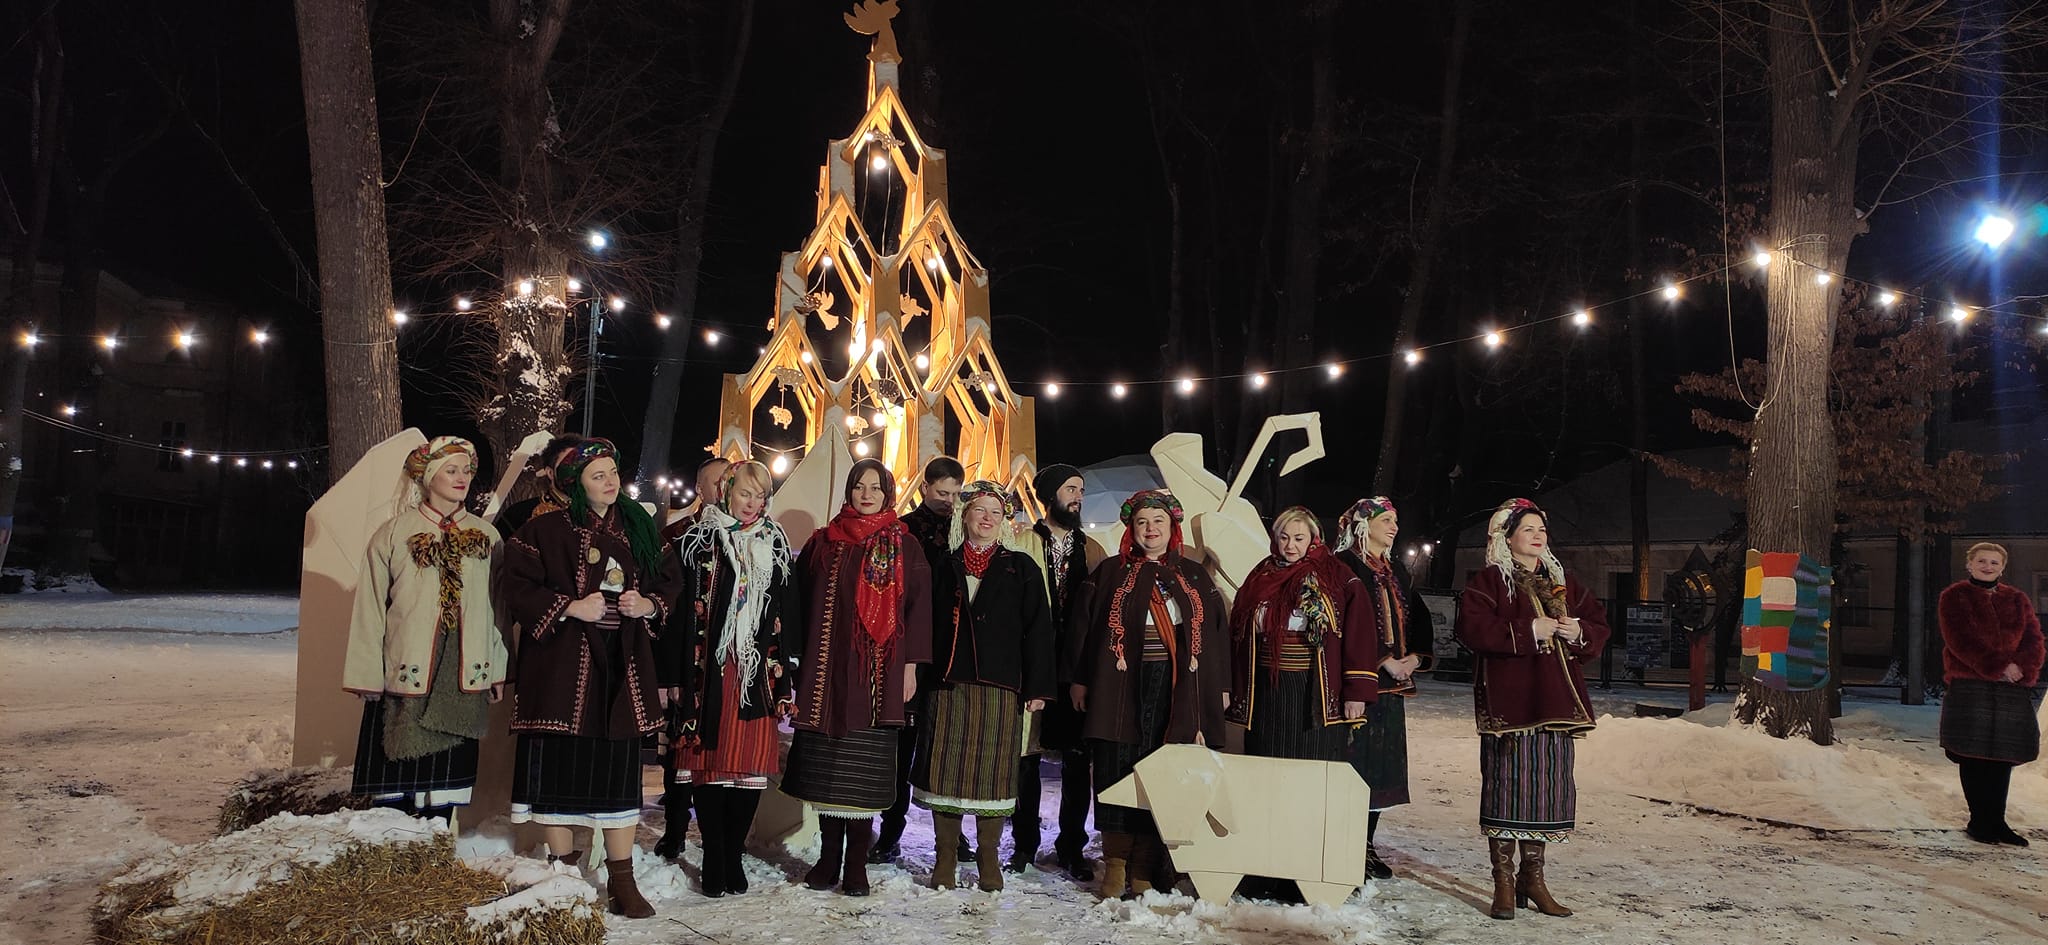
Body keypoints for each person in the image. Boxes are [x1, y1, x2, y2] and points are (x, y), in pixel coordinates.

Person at [502, 438, 683, 919]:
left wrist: (646, 604)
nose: (610, 482)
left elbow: (669, 581)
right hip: (559, 672)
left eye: (611, 472)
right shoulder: (541, 530)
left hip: (620, 670)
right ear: (573, 482)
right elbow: (515, 587)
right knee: (556, 778)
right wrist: (567, 607)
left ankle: (622, 883)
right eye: (597, 475)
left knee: (616, 778)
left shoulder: (641, 527)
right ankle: (564, 876)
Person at [1067, 489, 1230, 899]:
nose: (1150, 529)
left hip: (1177, 688)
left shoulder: (1194, 576)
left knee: (1164, 772)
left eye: (1158, 521)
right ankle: (1116, 866)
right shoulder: (1109, 573)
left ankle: (1143, 867)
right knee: (1116, 770)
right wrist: (1079, 679)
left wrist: (1220, 687)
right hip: (1119, 686)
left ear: (1171, 527)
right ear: (1131, 528)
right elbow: (1081, 632)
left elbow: (1216, 636)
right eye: (1142, 522)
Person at [783, 458, 934, 896]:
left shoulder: (905, 546)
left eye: (875, 487)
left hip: (877, 674)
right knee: (828, 769)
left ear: (888, 493)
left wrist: (910, 667)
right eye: (858, 487)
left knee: (862, 772)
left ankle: (856, 864)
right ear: (848, 492)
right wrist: (795, 660)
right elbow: (801, 603)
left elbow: (919, 611)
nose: (866, 495)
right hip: (827, 672)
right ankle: (828, 858)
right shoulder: (823, 543)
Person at [1454, 498, 1610, 921]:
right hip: (1512, 705)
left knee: (1546, 793)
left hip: (1557, 703)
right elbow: (1470, 629)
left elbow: (1597, 622)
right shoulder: (1490, 582)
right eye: (1528, 530)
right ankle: (1503, 882)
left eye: (1542, 529)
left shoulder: (1564, 582)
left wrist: (1579, 631)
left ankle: (1532, 879)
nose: (1538, 536)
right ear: (1508, 538)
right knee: (1508, 787)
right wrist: (1528, 629)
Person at [343, 437, 507, 823]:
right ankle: (395, 858)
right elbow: (370, 608)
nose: (462, 477)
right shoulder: (393, 534)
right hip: (408, 667)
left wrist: (498, 666)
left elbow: (499, 608)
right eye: (451, 470)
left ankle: (435, 853)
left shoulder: (487, 537)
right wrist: (366, 673)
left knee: (446, 785)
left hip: (462, 670)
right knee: (397, 779)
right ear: (428, 476)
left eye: (467, 470)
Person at [911, 481, 1056, 891]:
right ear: (965, 516)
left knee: (992, 773)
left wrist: (1038, 687)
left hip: (999, 685)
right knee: (944, 770)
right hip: (949, 684)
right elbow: (925, 626)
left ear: (1004, 520)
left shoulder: (1021, 568)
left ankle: (988, 858)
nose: (987, 518)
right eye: (980, 510)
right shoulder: (944, 565)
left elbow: (1038, 631)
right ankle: (946, 858)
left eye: (995, 511)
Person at [668, 460, 802, 895]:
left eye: (760, 495)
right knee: (711, 764)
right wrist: (673, 673)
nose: (752, 503)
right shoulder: (698, 540)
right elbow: (678, 612)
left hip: (756, 672)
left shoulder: (775, 541)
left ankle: (733, 851)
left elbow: (788, 608)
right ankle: (713, 853)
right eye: (745, 493)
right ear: (726, 492)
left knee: (749, 767)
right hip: (710, 669)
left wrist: (789, 671)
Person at [872, 455, 966, 864]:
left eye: (955, 494)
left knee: (949, 746)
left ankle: (954, 836)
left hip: (954, 652)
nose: (948, 501)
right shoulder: (903, 529)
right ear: (925, 487)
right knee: (902, 748)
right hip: (913, 652)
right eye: (942, 493)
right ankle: (890, 832)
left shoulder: (967, 528)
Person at [1333, 496, 1431, 879]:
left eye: (1395, 520)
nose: (1394, 527)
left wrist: (1416, 658)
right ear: (1363, 523)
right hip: (1358, 685)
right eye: (1386, 519)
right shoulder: (1342, 566)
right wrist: (1381, 657)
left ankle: (1367, 847)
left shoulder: (1396, 571)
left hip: (1392, 689)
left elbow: (1419, 618)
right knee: (1353, 767)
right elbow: (1343, 622)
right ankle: (1344, 844)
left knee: (1379, 772)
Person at [1936, 542, 2043, 847]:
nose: (1987, 566)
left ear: (2002, 567)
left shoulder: (2017, 599)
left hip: (2010, 687)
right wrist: (1996, 666)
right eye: (1981, 561)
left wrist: (2022, 667)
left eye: (1994, 562)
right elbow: (1959, 639)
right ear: (1969, 565)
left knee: (2001, 757)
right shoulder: (1954, 597)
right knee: (1974, 755)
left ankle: (1998, 822)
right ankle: (1979, 821)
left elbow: (2034, 637)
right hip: (1971, 684)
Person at [653, 454, 733, 861]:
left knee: (719, 754)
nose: (723, 490)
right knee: (679, 751)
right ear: (699, 490)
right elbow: (666, 610)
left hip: (727, 664)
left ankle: (719, 837)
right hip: (686, 660)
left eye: (729, 482)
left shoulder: (745, 535)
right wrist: (667, 671)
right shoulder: (676, 536)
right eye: (715, 483)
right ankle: (675, 830)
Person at [1026, 464, 1104, 879]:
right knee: (1026, 759)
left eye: (1081, 490)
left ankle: (1072, 846)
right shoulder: (1021, 542)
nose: (1077, 496)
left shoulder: (1092, 550)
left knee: (1076, 762)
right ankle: (1023, 844)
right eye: (1070, 488)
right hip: (1030, 668)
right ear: (1049, 494)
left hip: (1074, 670)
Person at [495, 434, 585, 534]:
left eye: (582, 465)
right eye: (569, 465)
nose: (577, 472)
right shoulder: (519, 515)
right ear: (550, 473)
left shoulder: (599, 514)